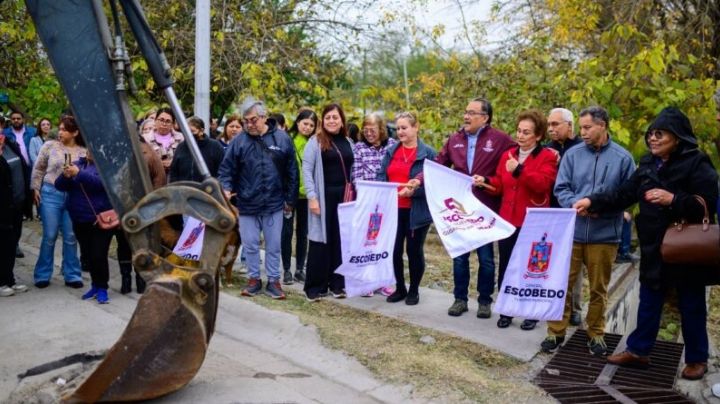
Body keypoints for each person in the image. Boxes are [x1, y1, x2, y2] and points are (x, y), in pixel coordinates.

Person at [573, 107, 717, 380]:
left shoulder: (697, 163)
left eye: (659, 134)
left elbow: (707, 204)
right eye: (651, 134)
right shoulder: (648, 163)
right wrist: (593, 201)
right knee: (650, 300)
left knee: (691, 303)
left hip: (685, 247)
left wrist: (673, 200)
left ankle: (697, 358)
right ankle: (639, 351)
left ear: (677, 138)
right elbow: (623, 193)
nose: (653, 139)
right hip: (654, 246)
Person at [541, 106, 635, 355]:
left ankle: (596, 333)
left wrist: (599, 208)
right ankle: (555, 332)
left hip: (605, 235)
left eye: (586, 127)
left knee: (598, 289)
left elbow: (628, 195)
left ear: (602, 125)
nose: (581, 132)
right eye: (580, 127)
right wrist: (574, 203)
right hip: (571, 231)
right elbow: (560, 188)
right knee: (562, 284)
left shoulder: (623, 158)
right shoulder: (573, 156)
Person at [475, 110, 558, 330]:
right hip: (508, 220)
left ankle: (531, 312)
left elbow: (543, 185)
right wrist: (485, 181)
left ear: (538, 135)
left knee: (532, 268)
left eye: (526, 132)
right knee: (507, 266)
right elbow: (500, 186)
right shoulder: (507, 155)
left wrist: (519, 170)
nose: (520, 136)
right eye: (519, 131)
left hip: (533, 222)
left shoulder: (547, 156)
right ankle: (507, 309)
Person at [435, 98, 515, 318]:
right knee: (460, 257)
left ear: (485, 118)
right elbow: (437, 165)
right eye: (465, 112)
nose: (466, 116)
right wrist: (419, 180)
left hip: (485, 209)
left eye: (472, 112)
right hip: (460, 210)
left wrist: (488, 179)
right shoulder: (454, 139)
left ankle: (484, 301)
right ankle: (460, 299)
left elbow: (521, 154)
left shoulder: (499, 139)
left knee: (486, 259)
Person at [218, 99, 298, 299]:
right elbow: (226, 169)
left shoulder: (282, 139)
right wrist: (226, 187)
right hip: (247, 204)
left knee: (273, 245)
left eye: (253, 120)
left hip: (274, 203)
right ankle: (254, 280)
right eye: (246, 121)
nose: (249, 124)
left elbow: (292, 172)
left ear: (264, 117)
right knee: (251, 244)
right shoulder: (239, 141)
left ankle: (273, 281)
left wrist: (290, 200)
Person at [55, 151, 131, 304]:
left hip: (100, 219)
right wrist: (65, 176)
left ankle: (103, 287)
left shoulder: (107, 167)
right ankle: (95, 285)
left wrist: (79, 174)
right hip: (79, 219)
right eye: (88, 149)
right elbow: (59, 186)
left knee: (99, 255)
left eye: (93, 148)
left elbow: (101, 184)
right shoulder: (77, 164)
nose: (90, 152)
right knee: (89, 256)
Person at [376, 112, 436, 305]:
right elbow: (381, 175)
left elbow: (434, 185)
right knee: (394, 250)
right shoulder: (391, 151)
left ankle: (414, 290)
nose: (400, 131)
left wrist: (414, 192)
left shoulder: (428, 154)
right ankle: (400, 288)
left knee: (413, 250)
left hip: (415, 210)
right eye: (398, 128)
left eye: (404, 128)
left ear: (416, 127)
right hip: (393, 209)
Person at [302, 103, 354, 301]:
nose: (332, 121)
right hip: (323, 198)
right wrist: (312, 197)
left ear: (342, 120)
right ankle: (315, 287)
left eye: (335, 117)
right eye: (328, 118)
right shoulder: (315, 142)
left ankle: (337, 285)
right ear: (322, 121)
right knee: (320, 241)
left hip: (344, 198)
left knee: (340, 241)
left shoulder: (348, 142)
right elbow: (306, 170)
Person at [30, 115, 86, 289]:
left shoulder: (84, 150)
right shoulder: (49, 146)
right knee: (50, 235)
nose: (60, 132)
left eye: (64, 129)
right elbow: (39, 168)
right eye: (60, 128)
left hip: (73, 195)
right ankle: (42, 274)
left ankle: (72, 274)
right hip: (50, 193)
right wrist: (35, 188)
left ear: (75, 132)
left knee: (70, 236)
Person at [547, 107, 584, 327]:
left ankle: (574, 307)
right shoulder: (546, 149)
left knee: (573, 264)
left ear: (570, 126)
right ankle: (553, 305)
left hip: (575, 212)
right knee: (549, 262)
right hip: (551, 212)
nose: (551, 129)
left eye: (555, 124)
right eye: (549, 124)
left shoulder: (582, 148)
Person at [281, 109, 317, 285]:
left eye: (311, 125)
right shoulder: (288, 140)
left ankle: (299, 269)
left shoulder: (315, 143)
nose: (308, 127)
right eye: (305, 123)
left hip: (307, 195)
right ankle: (287, 269)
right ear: (298, 122)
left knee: (303, 233)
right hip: (289, 194)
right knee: (286, 232)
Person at [0, 134, 30, 296]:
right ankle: (2, 282)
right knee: (2, 244)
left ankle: (9, 279)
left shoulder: (11, 146)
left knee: (11, 243)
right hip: (2, 208)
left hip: (15, 206)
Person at [169, 116, 225, 182]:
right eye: (186, 131)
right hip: (184, 190)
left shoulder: (215, 147)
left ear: (201, 131)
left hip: (207, 190)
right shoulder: (181, 147)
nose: (188, 135)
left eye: (192, 131)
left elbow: (222, 171)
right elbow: (174, 172)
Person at [145, 107, 183, 175]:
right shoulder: (145, 139)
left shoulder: (181, 138)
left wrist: (173, 163)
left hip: (175, 178)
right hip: (153, 178)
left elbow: (187, 158)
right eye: (161, 120)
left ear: (173, 124)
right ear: (155, 120)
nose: (164, 124)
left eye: (168, 121)